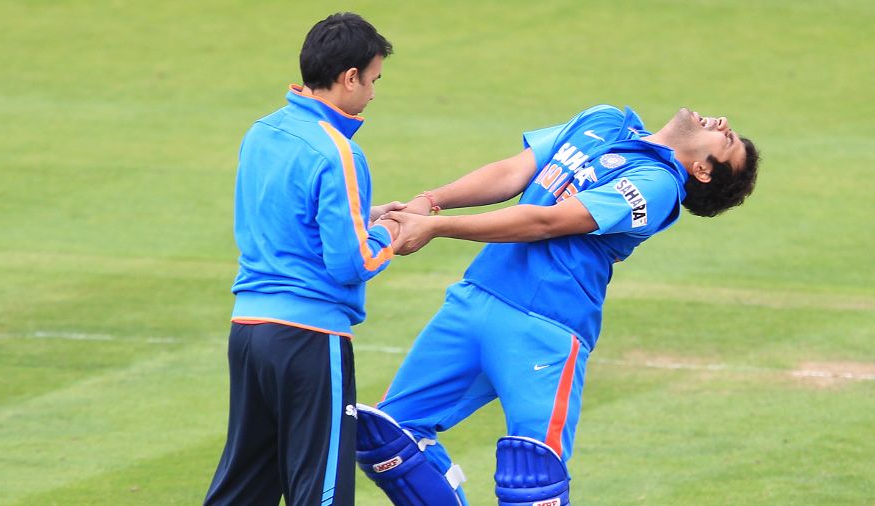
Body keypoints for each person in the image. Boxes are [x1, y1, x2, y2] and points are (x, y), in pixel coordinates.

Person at [354, 105, 760, 505]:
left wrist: (436, 228)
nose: (723, 123)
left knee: (531, 478)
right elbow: (513, 172)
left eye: (726, 140)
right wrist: (430, 202)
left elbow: (545, 222)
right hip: (476, 296)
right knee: (388, 438)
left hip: (546, 326)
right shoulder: (606, 120)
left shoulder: (657, 185)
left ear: (703, 171)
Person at [204, 12, 400, 506]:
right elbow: (351, 262)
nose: (374, 93)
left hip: (248, 331)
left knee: (245, 486)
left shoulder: (263, 131)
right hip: (308, 340)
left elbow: (284, 214)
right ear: (349, 77)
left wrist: (366, 214)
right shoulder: (339, 152)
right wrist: (391, 233)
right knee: (323, 491)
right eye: (373, 79)